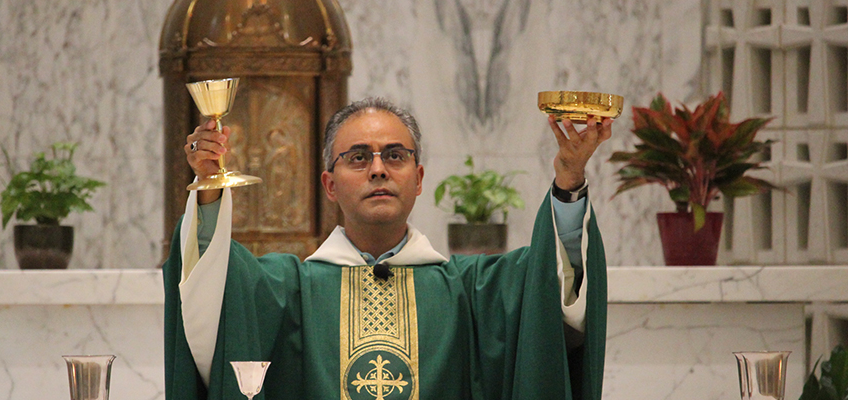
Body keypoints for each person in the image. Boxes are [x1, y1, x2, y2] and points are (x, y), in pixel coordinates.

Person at [163, 98, 612, 400]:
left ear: (418, 179)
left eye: (395, 156)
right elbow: (209, 292)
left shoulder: (473, 293)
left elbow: (552, 296)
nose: (378, 169)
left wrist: (569, 180)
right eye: (358, 157)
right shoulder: (288, 291)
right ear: (330, 185)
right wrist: (208, 188)